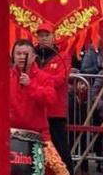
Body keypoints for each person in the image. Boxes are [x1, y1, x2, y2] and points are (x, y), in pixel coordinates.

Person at [7, 39, 69, 175]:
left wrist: (31, 86)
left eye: (25, 54)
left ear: (34, 56)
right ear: (13, 56)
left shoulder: (44, 78)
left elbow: (51, 99)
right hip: (10, 135)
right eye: (18, 54)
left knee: (60, 171)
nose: (22, 57)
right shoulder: (6, 78)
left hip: (39, 136)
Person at [34, 23, 73, 174]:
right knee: (36, 147)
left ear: (53, 37)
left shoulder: (63, 57)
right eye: (40, 35)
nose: (43, 39)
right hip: (35, 109)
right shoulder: (32, 55)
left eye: (46, 35)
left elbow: (60, 80)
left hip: (55, 111)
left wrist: (38, 79)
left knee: (60, 148)